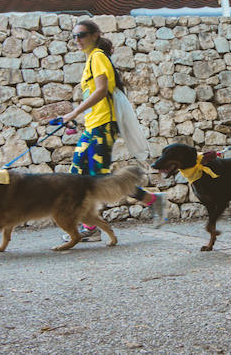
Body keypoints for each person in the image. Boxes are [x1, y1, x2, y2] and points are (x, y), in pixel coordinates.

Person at [55, 19, 166, 242]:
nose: (77, 40)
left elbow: (102, 90)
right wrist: (79, 119)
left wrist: (73, 113)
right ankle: (89, 225)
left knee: (100, 180)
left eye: (82, 35)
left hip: (103, 126)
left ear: (95, 35)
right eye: (74, 36)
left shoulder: (97, 57)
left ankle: (152, 200)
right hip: (93, 126)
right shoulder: (90, 59)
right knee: (77, 176)